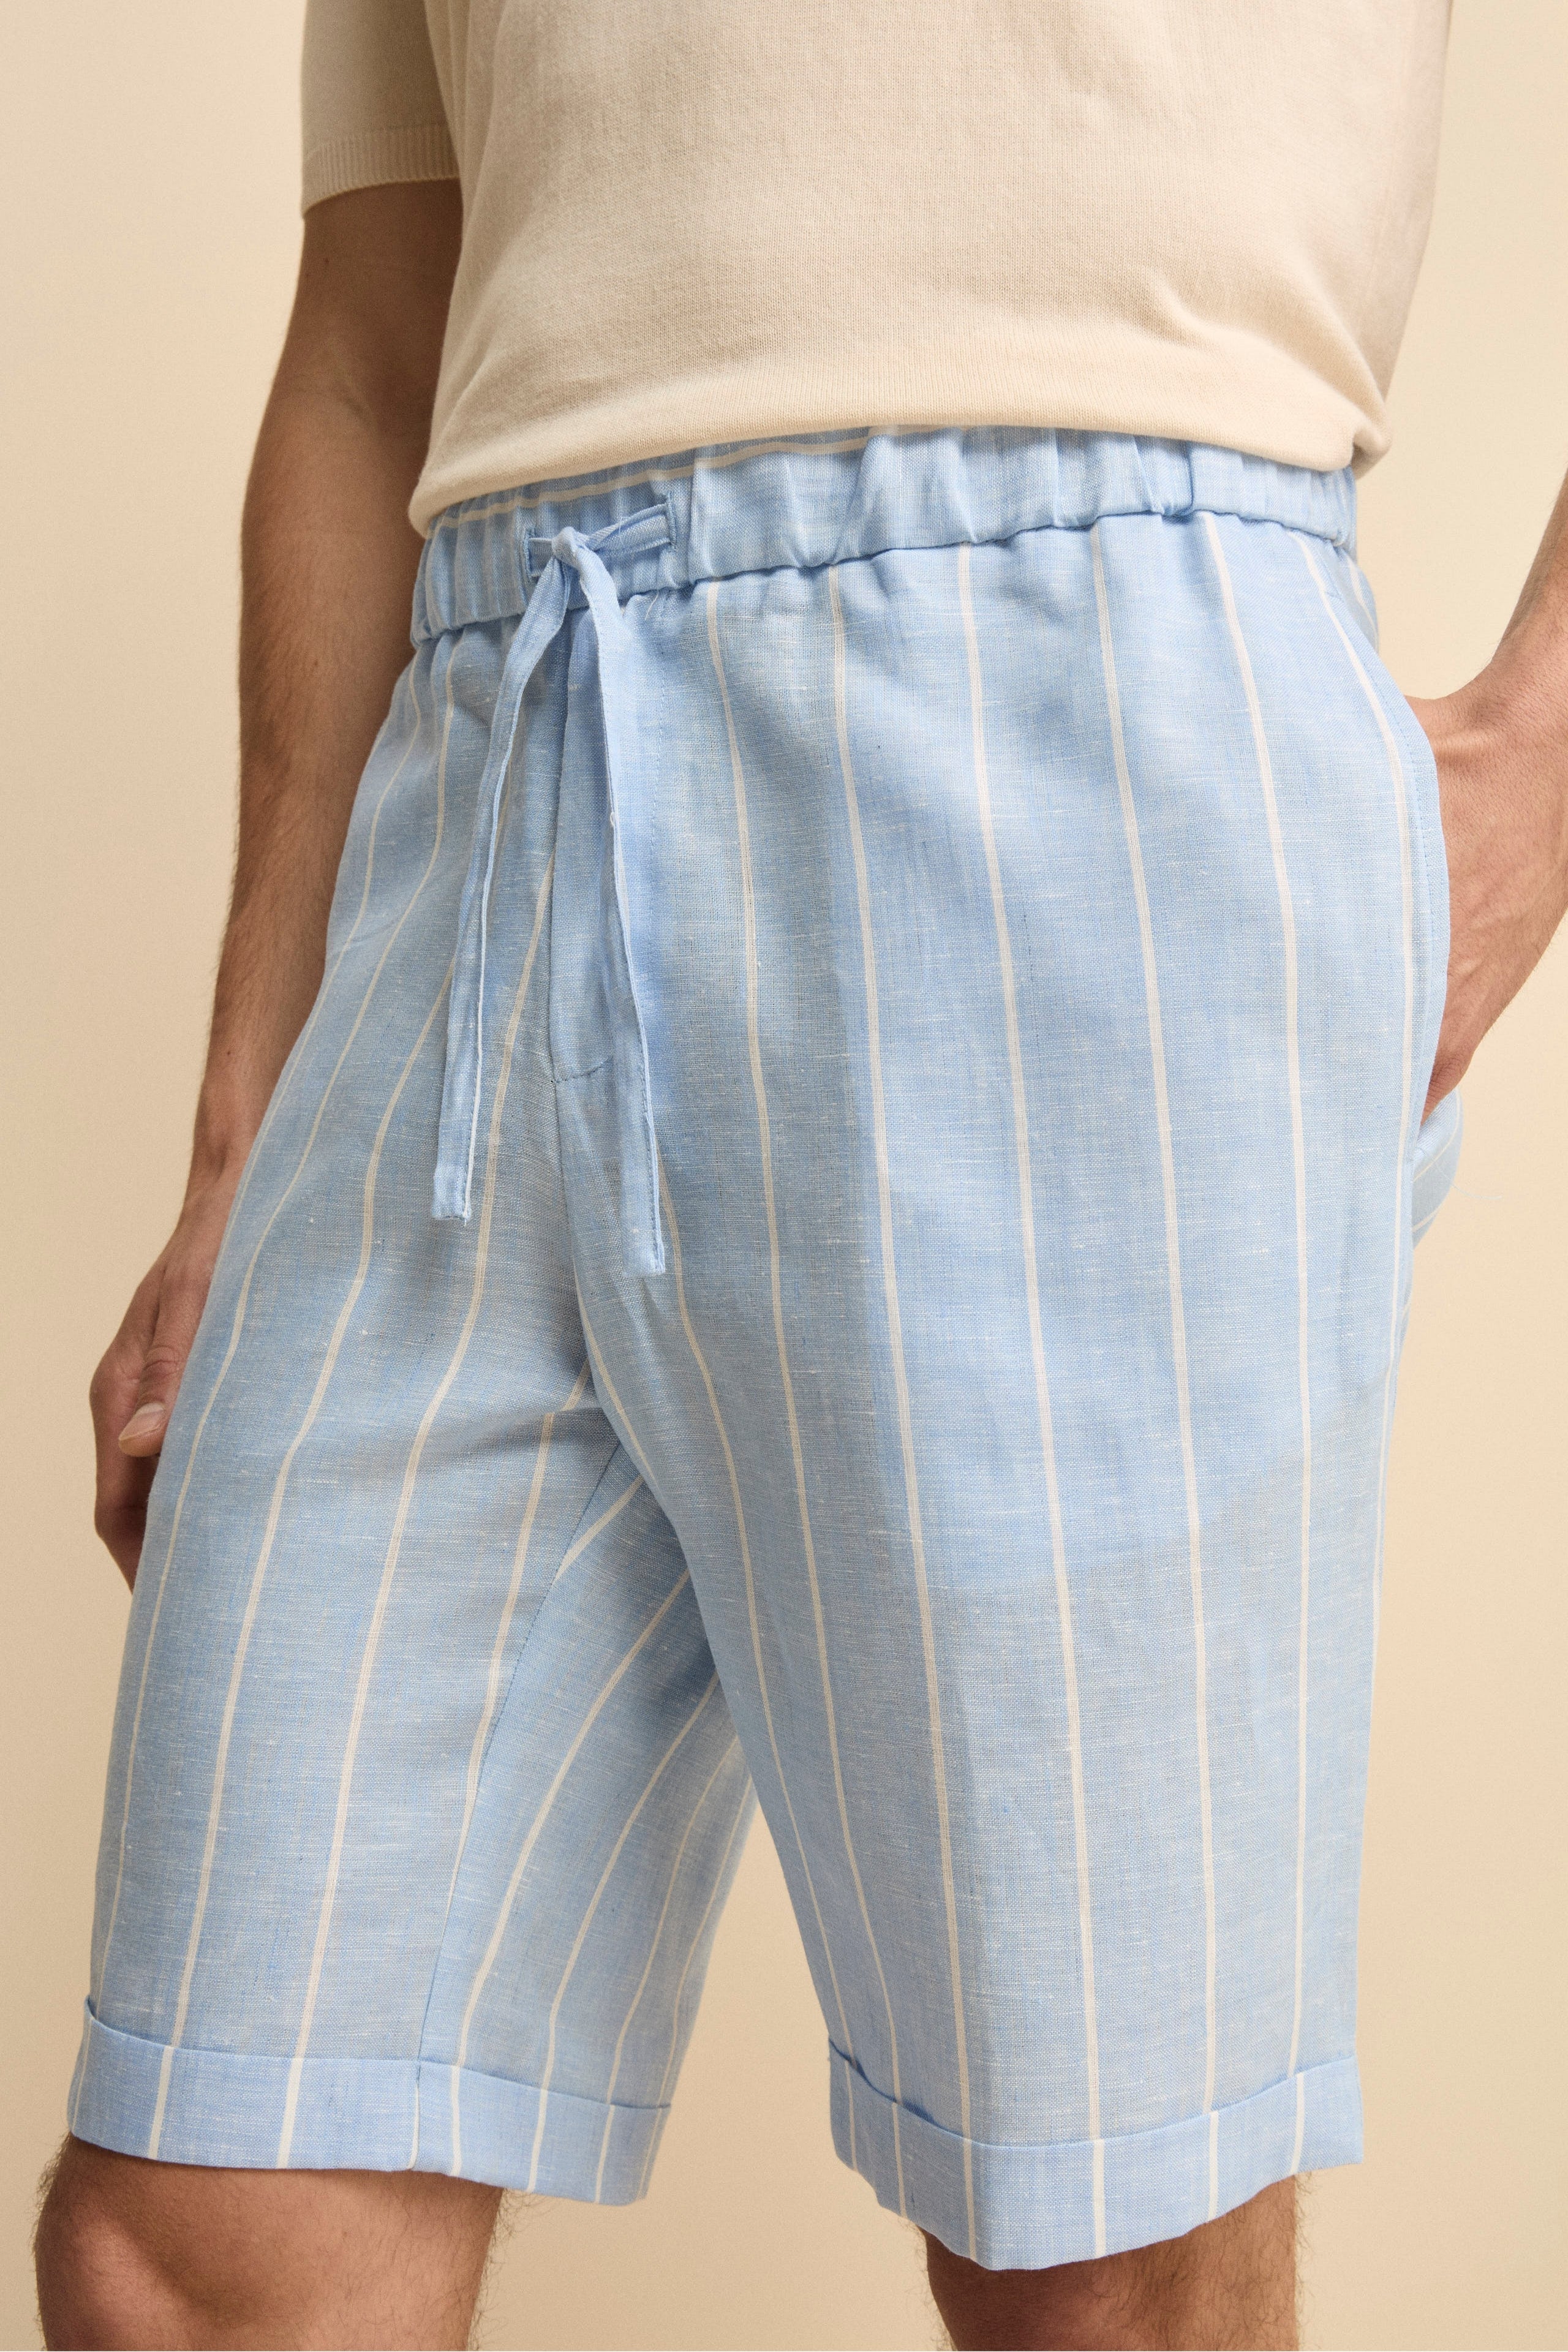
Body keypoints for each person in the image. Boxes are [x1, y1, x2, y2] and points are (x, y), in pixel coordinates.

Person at [30, 3, 1567, 2345]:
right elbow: (371, 345)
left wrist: (1540, 762)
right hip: (487, 776)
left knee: (1104, 2261)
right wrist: (242, 1130)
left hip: (1075, 725)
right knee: (183, 2253)